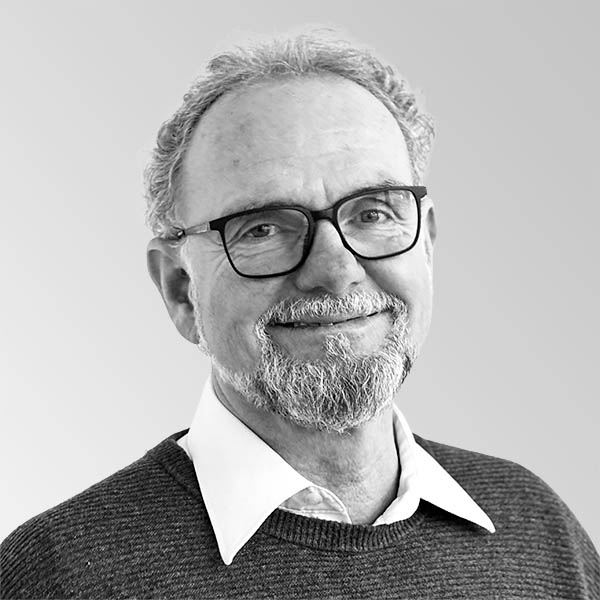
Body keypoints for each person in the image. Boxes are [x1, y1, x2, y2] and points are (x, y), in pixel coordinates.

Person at [1, 31, 598, 600]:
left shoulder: (537, 529)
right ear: (181, 289)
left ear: (427, 246)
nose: (335, 270)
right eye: (263, 228)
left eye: (374, 212)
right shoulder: (57, 576)